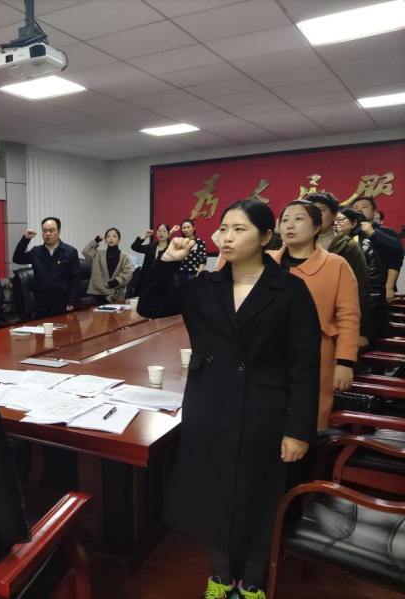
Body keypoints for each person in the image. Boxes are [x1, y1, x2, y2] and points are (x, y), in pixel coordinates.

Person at [138, 199, 321, 599]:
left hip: (265, 410)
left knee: (259, 496)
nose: (227, 237)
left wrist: (298, 430)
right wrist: (166, 261)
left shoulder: (290, 290)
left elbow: (306, 366)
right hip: (211, 405)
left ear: (266, 237)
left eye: (239, 229)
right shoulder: (206, 285)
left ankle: (253, 582)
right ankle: (221, 577)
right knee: (215, 495)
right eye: (223, 228)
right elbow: (149, 305)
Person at [270, 200, 360, 430]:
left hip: (316, 355)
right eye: (285, 220)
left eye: (299, 219)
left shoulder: (336, 264)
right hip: (266, 355)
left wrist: (345, 363)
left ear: (317, 227)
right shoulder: (266, 263)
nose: (290, 225)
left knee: (304, 423)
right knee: (265, 422)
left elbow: (349, 317)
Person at [307, 192, 372, 348]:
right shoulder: (299, 244)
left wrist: (361, 331)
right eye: (310, 211)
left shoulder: (348, 246)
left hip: (337, 322)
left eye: (321, 210)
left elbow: (361, 289)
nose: (315, 215)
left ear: (334, 215)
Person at [336, 208, 389, 345]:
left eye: (340, 219)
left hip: (360, 314)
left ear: (354, 224)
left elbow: (373, 288)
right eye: (333, 220)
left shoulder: (364, 246)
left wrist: (363, 324)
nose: (335, 223)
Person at [12, 217, 81, 318]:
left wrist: (73, 301)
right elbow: (17, 259)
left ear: (59, 232)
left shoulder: (70, 252)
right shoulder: (36, 251)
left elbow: (76, 278)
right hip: (42, 305)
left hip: (63, 305)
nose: (48, 234)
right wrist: (26, 239)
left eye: (51, 230)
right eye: (44, 231)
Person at [353, 196, 403, 304]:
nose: (359, 210)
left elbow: (396, 259)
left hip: (380, 289)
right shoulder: (350, 233)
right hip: (354, 288)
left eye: (364, 207)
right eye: (355, 208)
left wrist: (389, 287)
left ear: (374, 212)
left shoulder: (387, 232)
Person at [82, 228, 134, 304]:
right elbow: (86, 252)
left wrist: (115, 282)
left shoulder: (124, 256)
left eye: (114, 236)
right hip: (100, 293)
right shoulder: (98, 254)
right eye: (108, 236)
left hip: (117, 292)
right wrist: (96, 241)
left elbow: (127, 272)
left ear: (119, 240)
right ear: (105, 240)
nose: (111, 238)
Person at [130, 223, 179, 296]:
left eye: (164, 231)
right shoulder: (151, 247)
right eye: (159, 231)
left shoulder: (170, 249)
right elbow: (134, 247)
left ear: (168, 234)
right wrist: (145, 236)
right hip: (147, 281)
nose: (161, 233)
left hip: (164, 283)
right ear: (156, 234)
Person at [175, 218, 208, 285]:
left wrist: (199, 273)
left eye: (188, 227)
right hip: (178, 274)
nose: (186, 230)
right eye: (184, 228)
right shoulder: (180, 241)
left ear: (194, 228)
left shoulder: (199, 242)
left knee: (193, 291)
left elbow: (203, 259)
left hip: (193, 274)